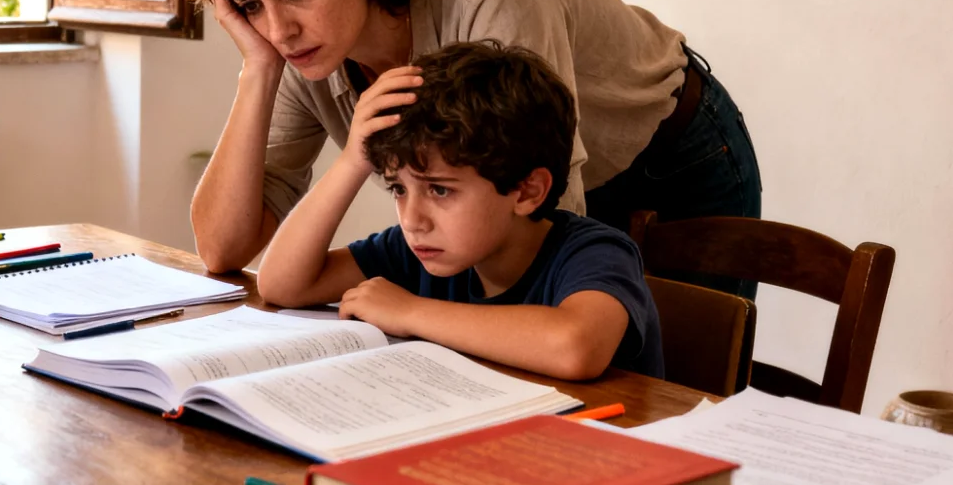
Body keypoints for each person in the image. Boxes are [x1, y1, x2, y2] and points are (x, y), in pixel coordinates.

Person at [183, 0, 760, 297]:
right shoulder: (296, 52)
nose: (279, 29)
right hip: (529, 203)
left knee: (672, 389)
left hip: (674, 155)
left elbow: (552, 227)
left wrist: (422, 316)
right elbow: (223, 250)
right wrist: (257, 70)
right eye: (251, 5)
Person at [255, 42, 662, 380]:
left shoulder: (596, 253)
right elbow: (282, 285)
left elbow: (574, 346)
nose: (412, 219)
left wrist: (410, 312)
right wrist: (352, 160)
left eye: (439, 190)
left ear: (526, 191)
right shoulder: (420, 251)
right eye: (399, 188)